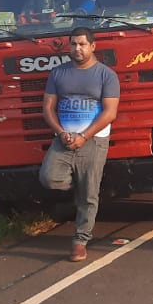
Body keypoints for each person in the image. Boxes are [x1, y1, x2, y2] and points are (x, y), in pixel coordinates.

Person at [39, 27, 120, 262]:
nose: (77, 49)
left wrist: (84, 136)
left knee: (89, 195)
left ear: (93, 46)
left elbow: (110, 113)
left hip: (93, 140)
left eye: (82, 44)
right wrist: (61, 132)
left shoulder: (106, 75)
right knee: (49, 178)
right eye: (73, 44)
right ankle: (77, 182)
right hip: (64, 139)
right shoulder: (58, 74)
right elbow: (47, 108)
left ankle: (80, 240)